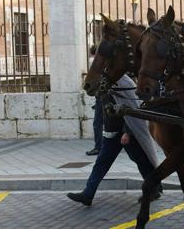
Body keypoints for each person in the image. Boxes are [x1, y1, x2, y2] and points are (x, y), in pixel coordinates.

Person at [67, 75, 162, 206]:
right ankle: (88, 194)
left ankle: (154, 189)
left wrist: (127, 132)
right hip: (111, 133)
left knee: (142, 161)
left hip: (126, 134)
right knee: (101, 163)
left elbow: (134, 108)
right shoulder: (105, 81)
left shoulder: (125, 82)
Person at [86, 45, 102, 156]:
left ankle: (98, 147)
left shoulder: (94, 62)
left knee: (98, 123)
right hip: (106, 94)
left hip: (102, 95)